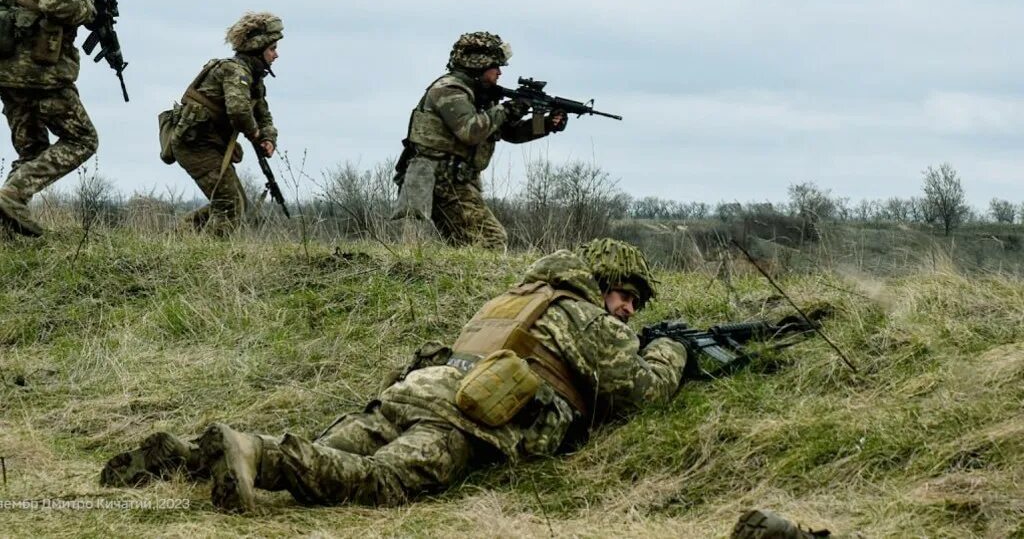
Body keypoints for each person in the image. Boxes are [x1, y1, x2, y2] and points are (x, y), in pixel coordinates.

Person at [99, 239, 689, 512]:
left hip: (409, 394)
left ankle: (187, 457)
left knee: (326, 451)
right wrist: (669, 351)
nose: (630, 310)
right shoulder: (588, 318)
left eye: (636, 304)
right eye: (626, 295)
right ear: (601, 281)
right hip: (458, 420)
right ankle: (256, 453)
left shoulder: (513, 301)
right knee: (380, 484)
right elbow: (641, 394)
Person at [0, 0, 128, 236]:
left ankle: (6, 231)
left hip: (7, 67)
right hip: (40, 71)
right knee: (83, 140)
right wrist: (91, 9)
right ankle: (11, 195)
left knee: (32, 151)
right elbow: (58, 2)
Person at [392, 31, 567, 250]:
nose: (500, 72)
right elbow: (471, 131)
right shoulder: (448, 90)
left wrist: (546, 124)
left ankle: (456, 282)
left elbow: (510, 133)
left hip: (459, 181)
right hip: (441, 181)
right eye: (496, 66)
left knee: (467, 245)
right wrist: (508, 108)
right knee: (490, 240)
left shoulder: (481, 96)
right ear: (479, 65)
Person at [165, 12, 282, 235]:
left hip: (209, 144)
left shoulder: (253, 78)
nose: (276, 55)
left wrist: (268, 138)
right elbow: (238, 111)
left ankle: (176, 238)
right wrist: (256, 134)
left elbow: (263, 114)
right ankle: (212, 261)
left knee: (237, 203)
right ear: (258, 48)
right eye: (272, 48)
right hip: (196, 145)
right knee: (229, 205)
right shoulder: (235, 71)